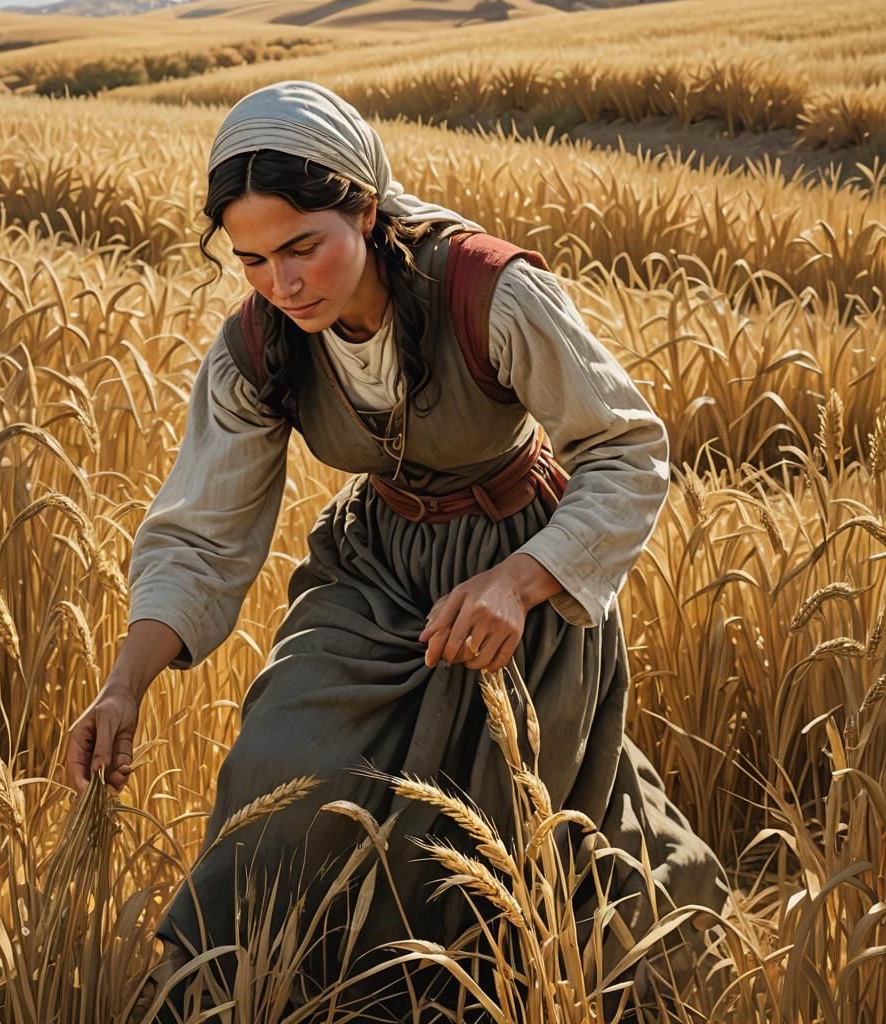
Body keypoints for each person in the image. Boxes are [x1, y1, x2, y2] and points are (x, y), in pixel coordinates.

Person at [66, 81, 728, 1021]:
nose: (283, 284)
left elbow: (627, 448)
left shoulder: (488, 291)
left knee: (510, 840)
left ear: (366, 211)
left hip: (523, 558)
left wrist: (522, 579)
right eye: (252, 260)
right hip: (374, 568)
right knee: (278, 771)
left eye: (303, 246)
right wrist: (125, 683)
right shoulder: (258, 346)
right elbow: (204, 528)